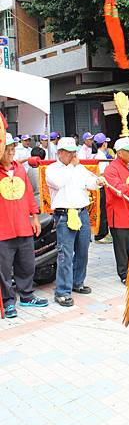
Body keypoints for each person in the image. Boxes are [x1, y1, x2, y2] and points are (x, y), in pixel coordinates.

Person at [46, 137, 106, 307]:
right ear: (60, 153)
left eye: (74, 151)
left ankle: (77, 282)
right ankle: (62, 291)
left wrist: (97, 182)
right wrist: (72, 166)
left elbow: (90, 183)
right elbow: (58, 183)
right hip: (64, 215)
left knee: (83, 250)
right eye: (70, 152)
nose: (73, 155)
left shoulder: (80, 168)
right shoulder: (52, 169)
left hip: (82, 213)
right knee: (65, 254)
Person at [0, 133, 48, 318]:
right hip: (3, 230)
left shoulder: (20, 169)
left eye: (13, 148)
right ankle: (8, 301)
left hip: (23, 225)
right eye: (8, 148)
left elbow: (29, 194)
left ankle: (27, 295)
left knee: (27, 264)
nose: (11, 151)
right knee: (4, 269)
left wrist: (35, 217)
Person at [104, 138, 129, 283]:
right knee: (122, 248)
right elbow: (118, 190)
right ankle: (124, 275)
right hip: (119, 214)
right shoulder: (111, 169)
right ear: (119, 153)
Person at [93, 132, 113, 244]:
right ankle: (101, 235)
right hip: (101, 187)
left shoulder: (100, 155)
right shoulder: (100, 156)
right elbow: (101, 173)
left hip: (101, 186)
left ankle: (103, 233)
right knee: (102, 211)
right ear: (104, 144)